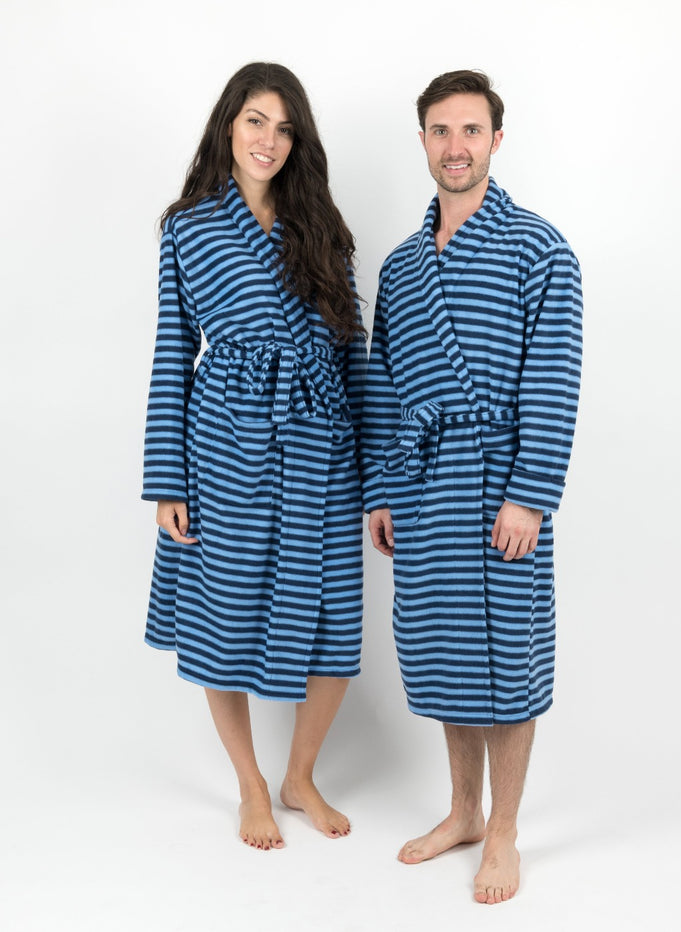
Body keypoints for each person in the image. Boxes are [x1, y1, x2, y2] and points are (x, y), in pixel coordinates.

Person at [361, 70, 582, 903]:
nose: (455, 147)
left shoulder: (540, 249)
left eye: (471, 130)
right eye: (441, 131)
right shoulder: (403, 266)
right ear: (423, 140)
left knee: (508, 658)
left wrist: (530, 496)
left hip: (498, 486)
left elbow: (554, 382)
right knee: (446, 650)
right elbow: (383, 386)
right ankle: (462, 812)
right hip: (423, 489)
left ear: (496, 139)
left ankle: (505, 831)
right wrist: (383, 489)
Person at [142, 62, 366, 851]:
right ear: (228, 126)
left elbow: (355, 355)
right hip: (227, 445)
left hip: (323, 447)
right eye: (255, 121)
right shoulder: (188, 227)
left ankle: (300, 775)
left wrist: (374, 477)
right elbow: (173, 353)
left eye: (284, 128)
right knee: (223, 611)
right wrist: (167, 480)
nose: (269, 140)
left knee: (336, 617)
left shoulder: (322, 227)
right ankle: (250, 784)